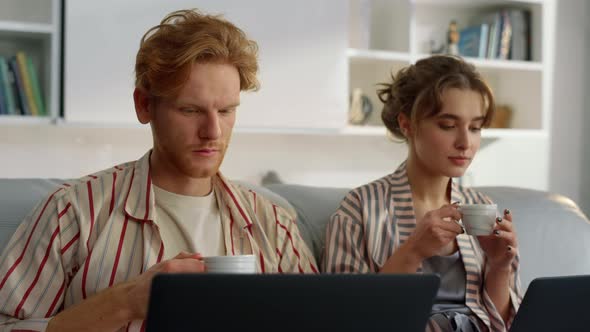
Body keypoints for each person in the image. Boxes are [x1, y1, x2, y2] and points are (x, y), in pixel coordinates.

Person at [0, 9, 317, 332]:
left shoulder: (275, 226)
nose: (213, 132)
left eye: (225, 111)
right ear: (144, 105)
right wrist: (126, 302)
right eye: (190, 110)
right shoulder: (72, 213)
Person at [323, 55, 522, 332]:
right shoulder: (359, 210)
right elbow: (345, 317)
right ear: (407, 124)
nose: (466, 142)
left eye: (475, 128)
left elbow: (503, 325)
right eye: (448, 126)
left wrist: (501, 266)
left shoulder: (482, 206)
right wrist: (412, 250)